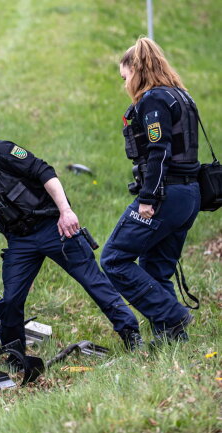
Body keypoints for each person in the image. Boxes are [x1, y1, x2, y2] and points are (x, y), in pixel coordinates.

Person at [0, 129, 142, 350]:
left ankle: (131, 335)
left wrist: (65, 211)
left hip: (54, 227)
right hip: (20, 241)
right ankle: (14, 354)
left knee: (93, 282)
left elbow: (43, 171)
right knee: (10, 302)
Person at [100, 38, 200, 344]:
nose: (125, 84)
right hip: (189, 195)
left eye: (125, 77)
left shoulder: (154, 101)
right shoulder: (181, 96)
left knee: (114, 259)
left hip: (165, 197)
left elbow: (160, 152)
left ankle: (173, 315)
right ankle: (173, 340)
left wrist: (148, 198)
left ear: (137, 70)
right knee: (156, 269)